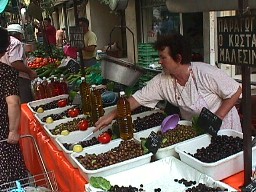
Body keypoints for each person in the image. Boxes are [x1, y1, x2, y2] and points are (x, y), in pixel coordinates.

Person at [95, 33, 242, 132]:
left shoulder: (205, 73)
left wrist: (218, 117)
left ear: (178, 58)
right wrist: (113, 114)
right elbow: (136, 100)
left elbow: (236, 90)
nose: (159, 62)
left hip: (225, 128)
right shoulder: (163, 81)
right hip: (199, 130)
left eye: (163, 58)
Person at [0, 26, 28, 189]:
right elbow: (13, 102)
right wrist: (13, 130)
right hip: (3, 134)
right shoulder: (5, 72)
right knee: (10, 177)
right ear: (5, 49)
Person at [0, 24, 37, 103]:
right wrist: (30, 72)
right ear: (18, 34)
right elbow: (15, 62)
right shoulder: (16, 42)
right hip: (18, 78)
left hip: (6, 77)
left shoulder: (5, 42)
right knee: (23, 102)